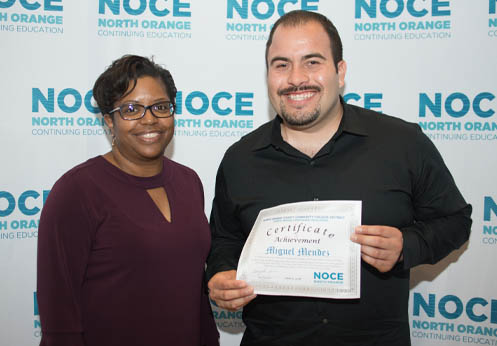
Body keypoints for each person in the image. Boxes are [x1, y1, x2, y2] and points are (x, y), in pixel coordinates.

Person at [206, 10, 472, 346]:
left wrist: (407, 246)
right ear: (268, 75)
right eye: (281, 64)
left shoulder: (402, 143)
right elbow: (225, 242)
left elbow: (455, 220)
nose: (296, 78)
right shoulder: (240, 159)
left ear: (340, 71)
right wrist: (220, 275)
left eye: (312, 62)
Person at [37, 55, 219, 346]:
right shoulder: (77, 191)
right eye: (131, 109)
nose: (150, 119)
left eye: (160, 107)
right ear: (109, 120)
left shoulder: (189, 182)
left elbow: (196, 293)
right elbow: (60, 317)